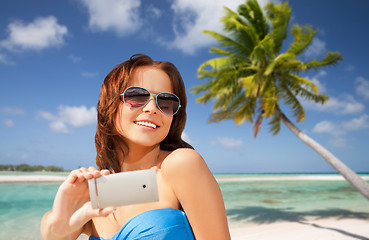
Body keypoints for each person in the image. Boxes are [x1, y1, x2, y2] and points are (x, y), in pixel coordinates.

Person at [41, 54, 231, 240]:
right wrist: (57, 225)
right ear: (110, 104)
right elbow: (54, 230)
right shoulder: (101, 193)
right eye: (137, 95)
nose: (152, 108)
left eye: (165, 102)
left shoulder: (180, 164)